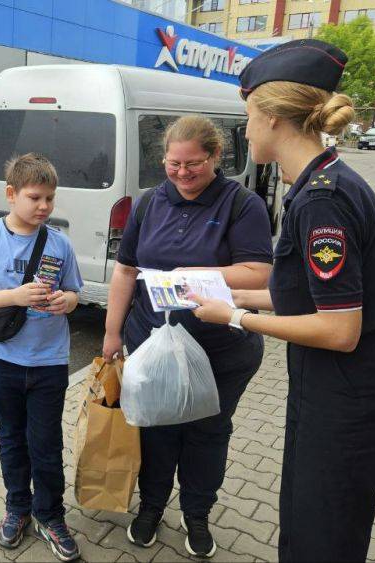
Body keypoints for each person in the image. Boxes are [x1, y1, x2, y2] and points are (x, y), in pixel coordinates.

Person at [189, 39, 375, 561]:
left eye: (247, 116)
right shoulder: (321, 182)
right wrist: (227, 290)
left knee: (320, 543)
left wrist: (236, 316)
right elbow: (307, 295)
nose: (244, 129)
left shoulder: (321, 201)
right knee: (310, 530)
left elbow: (338, 329)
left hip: (346, 399)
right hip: (335, 391)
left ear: (272, 119)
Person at [101, 116, 274, 558]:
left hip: (220, 351)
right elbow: (125, 270)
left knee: (207, 433)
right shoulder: (147, 204)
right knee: (157, 428)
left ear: (216, 156)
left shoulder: (242, 204)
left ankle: (197, 513)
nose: (182, 173)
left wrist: (194, 274)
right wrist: (111, 331)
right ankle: (152, 507)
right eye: (173, 164)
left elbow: (260, 273)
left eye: (193, 163)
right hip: (152, 345)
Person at [0, 153, 84, 562]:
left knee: (45, 443)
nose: (44, 206)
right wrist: (14, 295)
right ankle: (17, 508)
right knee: (11, 437)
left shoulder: (60, 244)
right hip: (2, 359)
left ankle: (51, 515)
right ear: (11, 195)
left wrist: (67, 301)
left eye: (50, 198)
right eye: (35, 197)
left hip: (48, 363)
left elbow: (76, 294)